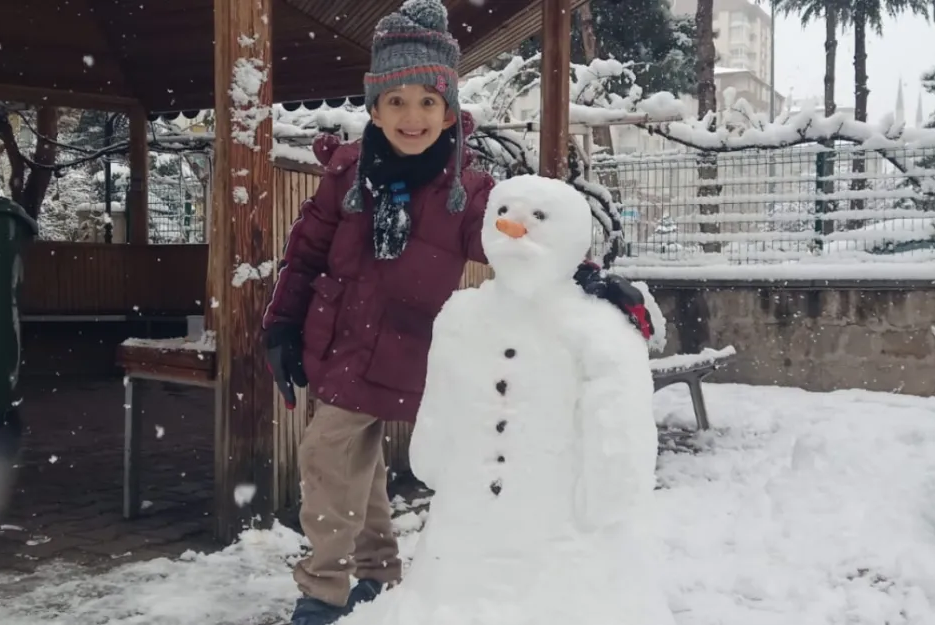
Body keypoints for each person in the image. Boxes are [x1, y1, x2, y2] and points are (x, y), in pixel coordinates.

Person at [261, 2, 652, 624]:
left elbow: (518, 243)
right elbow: (304, 256)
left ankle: (323, 590)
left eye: (426, 101)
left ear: (448, 110)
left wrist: (587, 278)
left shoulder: (467, 195)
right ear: (374, 108)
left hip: (409, 351)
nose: (411, 117)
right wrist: (281, 326)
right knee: (348, 463)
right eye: (396, 101)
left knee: (329, 457)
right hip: (339, 342)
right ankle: (373, 574)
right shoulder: (346, 177)